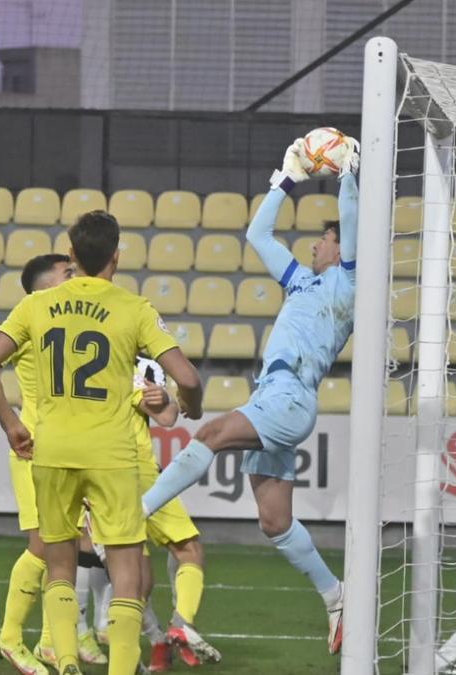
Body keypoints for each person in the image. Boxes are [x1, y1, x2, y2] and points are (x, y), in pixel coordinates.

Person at [140, 134, 360, 654]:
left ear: (340, 246)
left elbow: (351, 222)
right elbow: (258, 233)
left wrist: (350, 174)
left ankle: (131, 513)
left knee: (210, 432)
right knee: (274, 521)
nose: (315, 245)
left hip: (287, 399)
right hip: (278, 395)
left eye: (323, 240)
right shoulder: (302, 282)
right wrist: (284, 181)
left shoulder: (347, 283)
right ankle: (337, 598)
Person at [0, 210, 203, 675]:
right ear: (116, 257)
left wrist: (10, 423)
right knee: (125, 571)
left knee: (58, 566)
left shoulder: (36, 306)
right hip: (113, 456)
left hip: (51, 450)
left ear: (73, 255)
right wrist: (191, 407)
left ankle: (66, 662)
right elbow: (188, 379)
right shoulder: (134, 309)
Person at [0, 253, 99, 675]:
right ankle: (10, 637)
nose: (75, 279)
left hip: (65, 451)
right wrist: (12, 423)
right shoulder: (31, 317)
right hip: (33, 448)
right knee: (43, 546)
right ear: (44, 286)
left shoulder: (67, 322)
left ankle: (54, 642)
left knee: (66, 547)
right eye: (67, 274)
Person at [129, 355, 220, 671]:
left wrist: (163, 398)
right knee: (187, 550)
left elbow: (168, 416)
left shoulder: (138, 364)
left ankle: (155, 647)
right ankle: (180, 624)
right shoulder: (138, 362)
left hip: (87, 469)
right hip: (134, 472)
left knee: (131, 576)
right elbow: (171, 415)